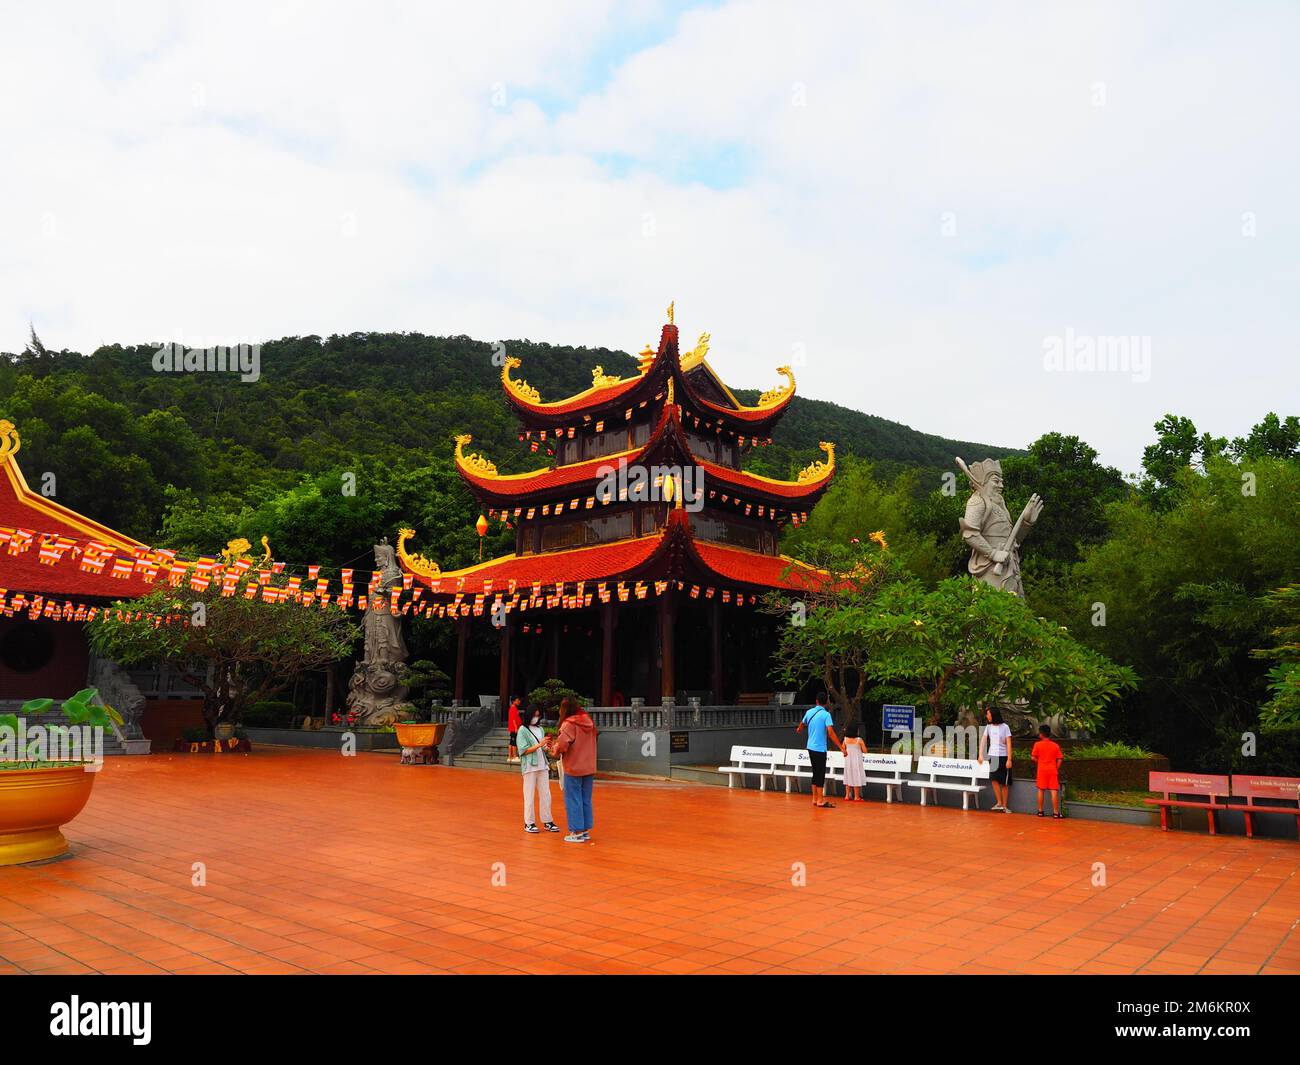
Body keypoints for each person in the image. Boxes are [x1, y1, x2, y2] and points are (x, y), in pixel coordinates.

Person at [548, 696, 598, 843]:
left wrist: (553, 750)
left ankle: (576, 831)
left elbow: (562, 745)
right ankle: (584, 830)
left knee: (573, 799)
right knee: (585, 799)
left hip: (574, 766)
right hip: (588, 767)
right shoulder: (589, 722)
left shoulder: (569, 724)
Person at [795, 693, 843, 809]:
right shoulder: (826, 715)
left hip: (810, 747)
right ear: (826, 702)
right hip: (820, 748)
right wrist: (841, 747)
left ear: (817, 701)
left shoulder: (809, 712)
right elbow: (830, 732)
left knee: (815, 772)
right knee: (820, 773)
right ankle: (820, 800)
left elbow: (802, 724)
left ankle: (815, 798)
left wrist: (799, 729)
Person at [517, 704, 559, 834]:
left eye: (538, 715)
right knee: (529, 795)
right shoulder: (522, 730)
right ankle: (529, 823)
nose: (536, 717)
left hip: (542, 765)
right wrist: (539, 744)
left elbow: (542, 748)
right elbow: (523, 750)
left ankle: (548, 821)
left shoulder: (540, 729)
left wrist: (546, 745)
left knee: (546, 795)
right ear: (529, 715)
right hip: (530, 767)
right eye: (534, 715)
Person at [979, 707, 1013, 812]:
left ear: (993, 715)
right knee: (994, 779)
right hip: (992, 756)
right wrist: (980, 754)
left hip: (1003, 757)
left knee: (1004, 782)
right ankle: (999, 803)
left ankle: (1005, 806)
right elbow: (983, 741)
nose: (987, 716)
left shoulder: (1005, 727)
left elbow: (1008, 743)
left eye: (988, 714)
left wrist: (1009, 759)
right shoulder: (988, 727)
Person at [1031, 723, 1064, 818]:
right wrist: (1056, 767)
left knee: (1041, 790)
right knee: (1054, 790)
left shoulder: (1037, 744)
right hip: (1052, 770)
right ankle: (1055, 813)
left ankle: (1040, 811)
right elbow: (1060, 759)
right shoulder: (1055, 745)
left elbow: (1033, 757)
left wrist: (1039, 762)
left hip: (1041, 770)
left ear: (1041, 734)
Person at [841, 722, 867, 802]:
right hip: (856, 761)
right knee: (857, 777)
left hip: (848, 761)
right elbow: (865, 751)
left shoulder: (845, 739)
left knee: (848, 776)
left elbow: (843, 749)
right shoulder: (859, 740)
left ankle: (847, 795)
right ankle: (856, 797)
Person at [507, 696, 523, 763]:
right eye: (517, 700)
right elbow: (513, 719)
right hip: (514, 728)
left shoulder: (513, 708)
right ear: (513, 701)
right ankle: (514, 756)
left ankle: (510, 757)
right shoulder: (513, 708)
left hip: (513, 728)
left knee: (511, 742)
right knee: (514, 742)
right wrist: (516, 727)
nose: (518, 701)